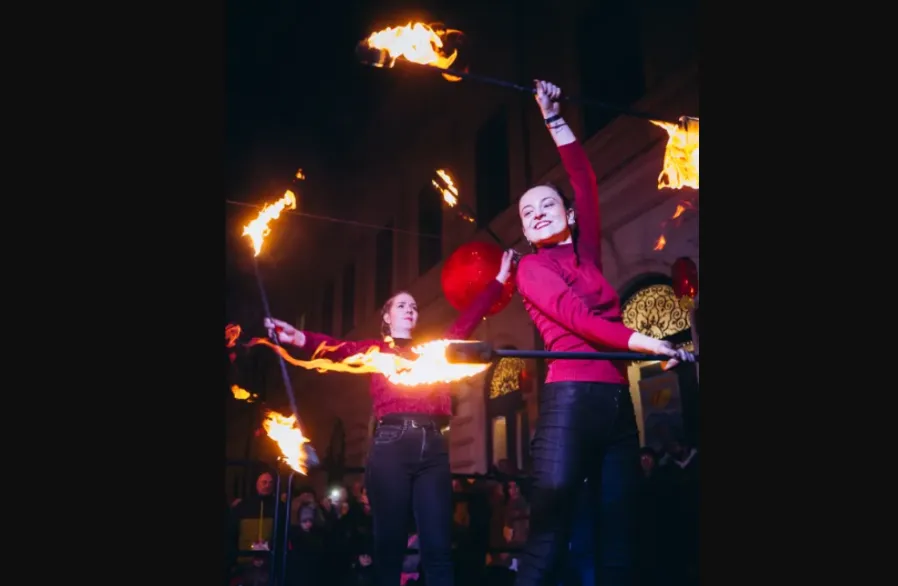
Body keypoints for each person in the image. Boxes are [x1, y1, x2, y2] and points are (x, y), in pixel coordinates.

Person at [512, 80, 695, 586]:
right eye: (528, 213)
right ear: (526, 233)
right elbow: (579, 321)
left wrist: (553, 118)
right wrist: (644, 342)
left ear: (567, 214)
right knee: (548, 538)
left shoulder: (585, 254)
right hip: (570, 402)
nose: (538, 213)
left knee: (620, 534)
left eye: (547, 204)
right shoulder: (532, 269)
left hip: (616, 405)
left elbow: (585, 181)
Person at [264, 249, 514, 586]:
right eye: (401, 305)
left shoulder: (434, 351)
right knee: (389, 548)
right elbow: (338, 349)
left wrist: (498, 280)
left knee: (439, 548)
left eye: (413, 306)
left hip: (433, 450)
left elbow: (466, 321)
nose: (410, 309)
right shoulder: (376, 352)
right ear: (387, 317)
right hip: (391, 448)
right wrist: (299, 338)